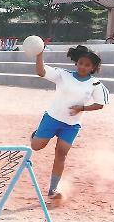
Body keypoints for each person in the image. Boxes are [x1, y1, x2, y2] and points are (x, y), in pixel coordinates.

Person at [31, 45, 109, 205]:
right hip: (52, 118)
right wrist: (39, 54)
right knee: (36, 146)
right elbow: (41, 71)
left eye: (87, 65)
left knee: (61, 154)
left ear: (93, 67)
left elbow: (101, 104)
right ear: (76, 63)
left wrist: (82, 108)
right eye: (81, 63)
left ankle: (53, 190)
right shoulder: (63, 75)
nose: (83, 67)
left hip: (71, 125)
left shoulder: (95, 84)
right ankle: (36, 134)